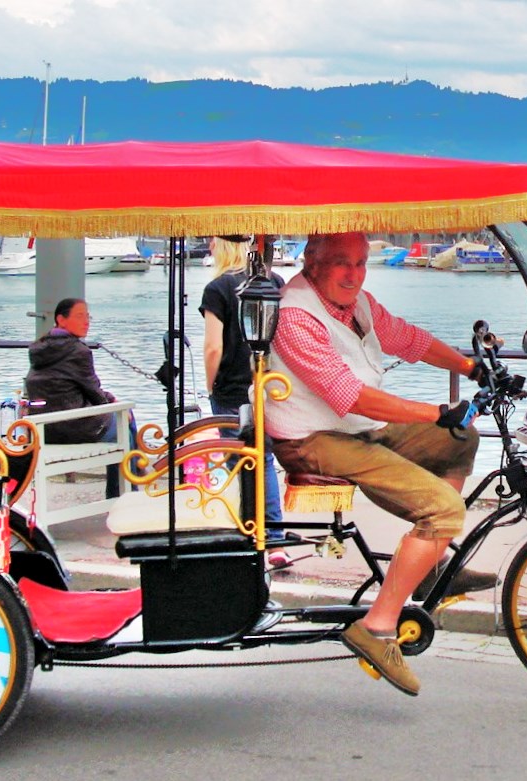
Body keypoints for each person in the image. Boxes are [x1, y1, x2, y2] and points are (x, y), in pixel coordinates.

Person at [265, 231, 495, 697]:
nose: (354, 274)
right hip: (312, 437)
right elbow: (349, 395)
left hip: (354, 425)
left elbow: (407, 339)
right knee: (443, 510)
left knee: (459, 440)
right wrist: (433, 412)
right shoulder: (295, 315)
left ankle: (432, 564)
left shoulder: (359, 305)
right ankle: (377, 626)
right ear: (312, 262)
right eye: (341, 263)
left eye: (361, 263)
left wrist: (470, 368)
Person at [199, 235, 291, 567]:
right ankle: (273, 538)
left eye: (213, 242)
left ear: (223, 247)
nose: (210, 247)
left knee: (240, 464)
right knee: (263, 459)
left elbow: (213, 347)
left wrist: (210, 386)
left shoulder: (217, 289)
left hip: (231, 389)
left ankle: (254, 535)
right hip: (270, 384)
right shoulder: (274, 281)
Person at [25, 297, 139, 499]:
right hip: (75, 428)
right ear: (61, 319)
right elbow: (95, 393)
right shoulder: (78, 351)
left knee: (123, 416)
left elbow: (72, 386)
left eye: (88, 316)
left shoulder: (39, 350)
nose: (86, 322)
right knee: (125, 427)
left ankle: (132, 482)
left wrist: (110, 399)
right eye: (79, 316)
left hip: (45, 430)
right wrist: (112, 402)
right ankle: (124, 494)